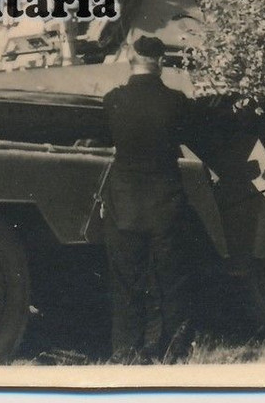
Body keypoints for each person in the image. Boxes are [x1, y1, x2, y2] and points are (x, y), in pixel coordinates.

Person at [101, 35, 193, 363]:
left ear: (131, 59)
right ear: (162, 63)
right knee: (172, 281)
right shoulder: (176, 102)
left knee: (126, 282)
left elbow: (104, 137)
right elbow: (195, 135)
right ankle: (173, 350)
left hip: (124, 203)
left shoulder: (113, 100)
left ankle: (126, 351)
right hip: (166, 203)